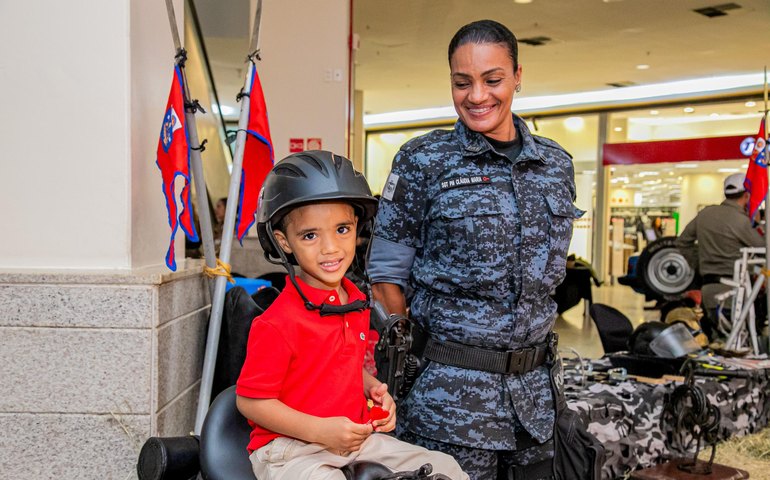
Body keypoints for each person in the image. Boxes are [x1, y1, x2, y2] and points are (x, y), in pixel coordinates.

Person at [367, 20, 582, 480]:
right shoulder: (423, 160)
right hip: (449, 404)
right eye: (462, 82)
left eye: (493, 79)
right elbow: (386, 276)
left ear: (518, 76)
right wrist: (407, 365)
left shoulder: (556, 164)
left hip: (536, 403)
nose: (477, 96)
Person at [236, 150, 468, 480]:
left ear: (357, 227)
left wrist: (374, 389)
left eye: (342, 229)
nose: (331, 248)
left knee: (447, 469)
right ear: (283, 242)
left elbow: (337, 365)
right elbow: (252, 402)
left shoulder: (355, 302)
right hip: (289, 449)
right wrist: (320, 430)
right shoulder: (277, 322)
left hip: (352, 441)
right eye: (310, 235)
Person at [675, 173, 765, 340]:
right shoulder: (741, 221)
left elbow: (682, 242)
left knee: (717, 342)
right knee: (739, 344)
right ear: (747, 196)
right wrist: (758, 224)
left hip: (708, 289)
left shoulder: (705, 214)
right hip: (735, 293)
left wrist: (700, 263)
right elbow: (763, 248)